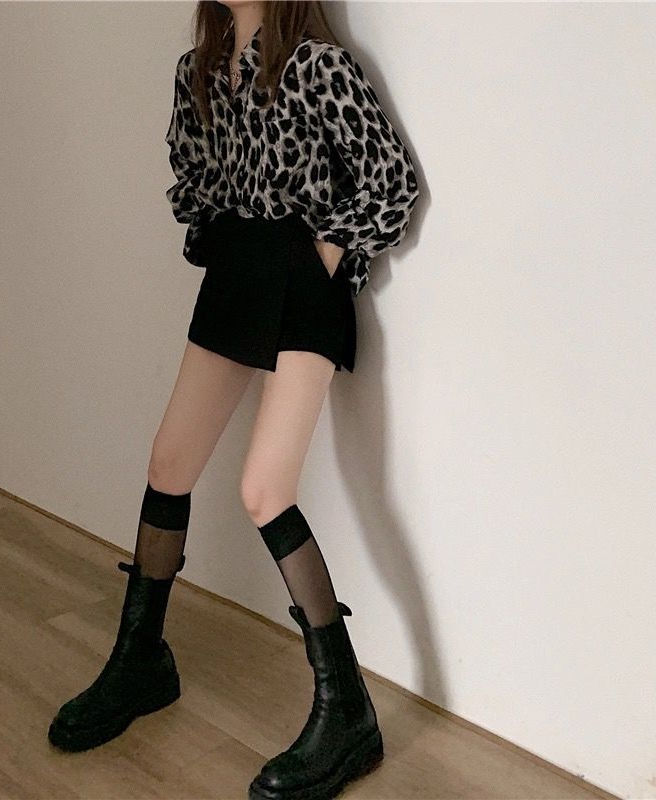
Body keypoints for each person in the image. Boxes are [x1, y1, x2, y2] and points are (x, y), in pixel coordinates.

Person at [47, 2, 420, 798]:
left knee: (263, 490)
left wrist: (321, 255)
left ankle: (347, 709)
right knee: (169, 464)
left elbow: (392, 180)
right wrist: (230, 235)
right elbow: (193, 181)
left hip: (301, 283)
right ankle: (142, 658)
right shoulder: (200, 74)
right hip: (237, 275)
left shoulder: (318, 66)